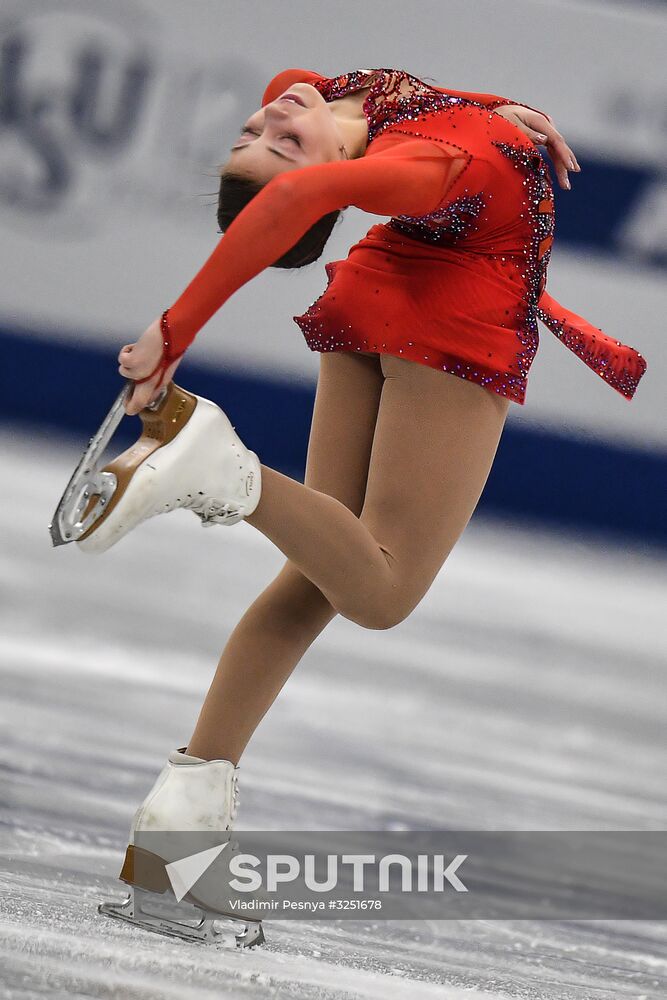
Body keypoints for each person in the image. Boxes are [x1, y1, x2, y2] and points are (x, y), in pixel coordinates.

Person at [93, 67, 647, 943]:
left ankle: (175, 850)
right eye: (275, 145)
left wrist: (483, 105)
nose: (273, 117)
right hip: (453, 318)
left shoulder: (356, 96)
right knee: (382, 593)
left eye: (258, 132)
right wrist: (177, 328)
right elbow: (295, 197)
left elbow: (296, 97)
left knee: (316, 575)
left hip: (378, 291)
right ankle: (221, 467)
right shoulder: (417, 167)